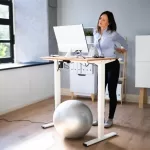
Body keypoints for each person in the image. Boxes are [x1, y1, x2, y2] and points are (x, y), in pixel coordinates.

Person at [92, 11, 128, 128]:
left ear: (109, 22)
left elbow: (125, 44)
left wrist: (120, 49)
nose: (100, 21)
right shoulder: (96, 33)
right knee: (100, 92)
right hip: (102, 65)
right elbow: (99, 47)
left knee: (111, 92)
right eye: (100, 18)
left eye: (103, 19)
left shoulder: (113, 34)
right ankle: (99, 118)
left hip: (112, 64)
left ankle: (110, 119)